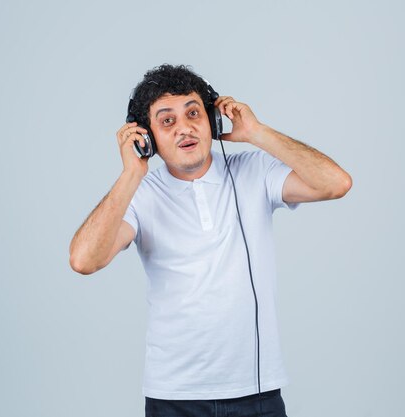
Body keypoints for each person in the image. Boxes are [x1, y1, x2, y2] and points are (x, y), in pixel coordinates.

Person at [69, 64, 352, 417]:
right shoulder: (139, 195)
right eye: (167, 121)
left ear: (213, 122)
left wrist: (258, 133)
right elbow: (84, 260)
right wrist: (131, 174)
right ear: (147, 137)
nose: (185, 127)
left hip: (257, 393)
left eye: (193, 113)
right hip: (174, 396)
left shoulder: (255, 171)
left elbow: (335, 183)